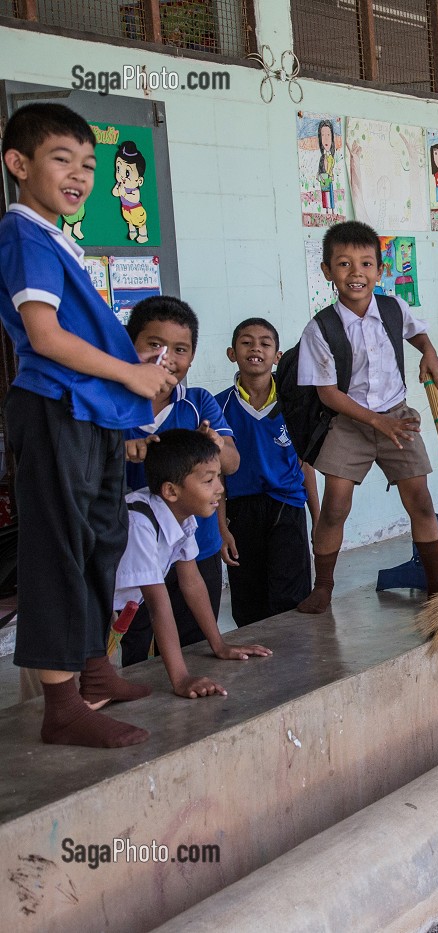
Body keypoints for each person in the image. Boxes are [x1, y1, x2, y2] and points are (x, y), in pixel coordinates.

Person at [0, 102, 174, 746]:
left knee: (102, 537)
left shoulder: (59, 239)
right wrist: (131, 376)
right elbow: (43, 337)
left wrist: (132, 371)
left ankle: (96, 667)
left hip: (91, 414)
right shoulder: (22, 234)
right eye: (61, 159)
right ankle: (61, 706)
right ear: (18, 165)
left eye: (90, 164)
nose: (79, 175)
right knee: (57, 549)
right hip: (52, 409)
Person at [295, 220, 438, 613]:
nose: (356, 273)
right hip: (348, 422)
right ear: (328, 272)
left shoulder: (394, 308)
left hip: (398, 415)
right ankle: (324, 586)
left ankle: (437, 585)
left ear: (380, 271)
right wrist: (377, 423)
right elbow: (327, 394)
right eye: (344, 264)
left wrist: (428, 351)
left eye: (365, 264)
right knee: (335, 507)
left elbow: (416, 332)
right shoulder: (321, 329)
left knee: (422, 502)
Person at [120, 296, 240, 666]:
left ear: (192, 355)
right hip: (129, 550)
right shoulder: (112, 405)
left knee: (193, 640)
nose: (166, 357)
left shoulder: (197, 402)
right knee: (133, 643)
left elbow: (231, 463)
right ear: (130, 344)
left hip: (195, 543)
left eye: (180, 349)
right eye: (154, 344)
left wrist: (215, 446)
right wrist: (119, 446)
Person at [114, 429, 270, 699]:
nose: (220, 488)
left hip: (110, 617)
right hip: (73, 616)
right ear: (171, 491)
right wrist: (181, 679)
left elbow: (192, 581)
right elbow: (158, 605)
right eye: (208, 480)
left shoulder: (183, 518)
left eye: (218, 477)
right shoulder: (140, 523)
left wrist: (219, 645)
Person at [215, 318, 315, 626]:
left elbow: (306, 463)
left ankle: (295, 665)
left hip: (287, 505)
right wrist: (221, 528)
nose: (255, 348)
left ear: (278, 356)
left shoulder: (293, 404)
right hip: (240, 511)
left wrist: (320, 519)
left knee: (291, 596)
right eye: (246, 342)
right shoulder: (218, 407)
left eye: (264, 343)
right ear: (232, 353)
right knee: (248, 599)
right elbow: (215, 475)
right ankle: (257, 665)